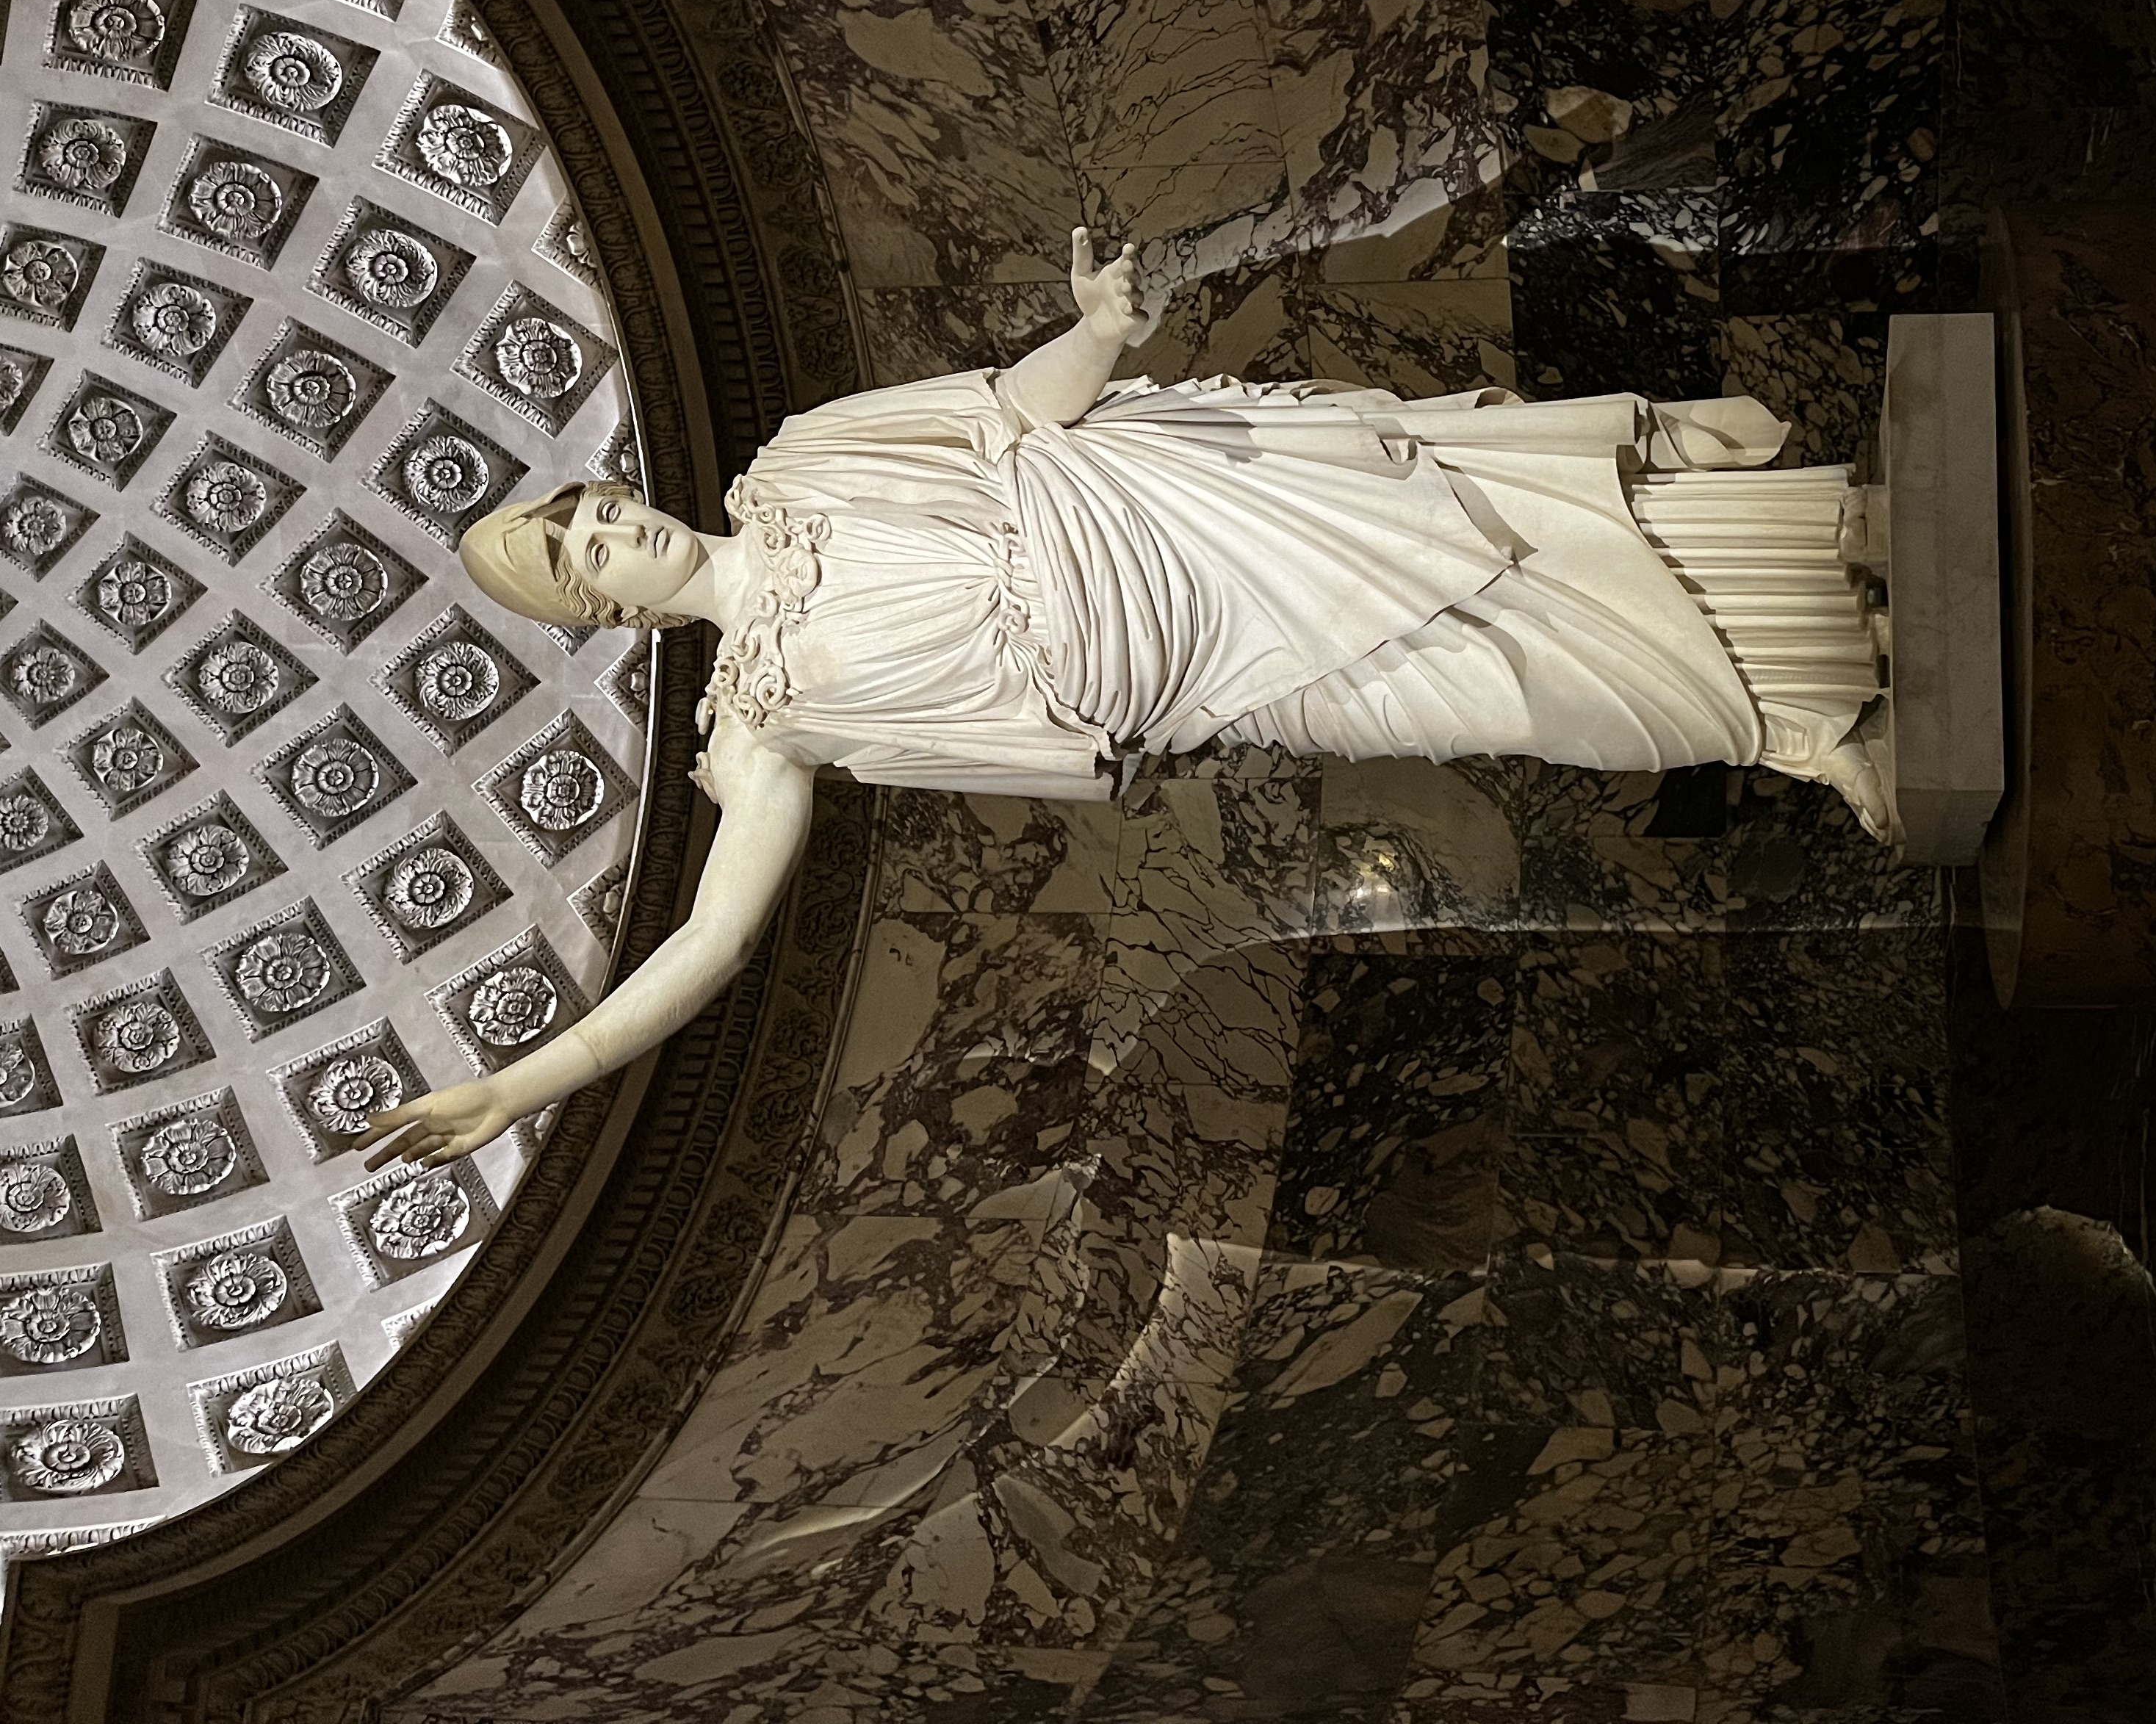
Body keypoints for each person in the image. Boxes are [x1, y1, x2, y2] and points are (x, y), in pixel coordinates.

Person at [360, 230, 1887, 1172]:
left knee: (1500, 532)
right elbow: (715, 938)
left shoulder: (806, 458)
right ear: (613, 615)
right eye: (588, 556)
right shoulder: (760, 723)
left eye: (594, 507)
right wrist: (526, 1081)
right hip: (1196, 671)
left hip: (1188, 513)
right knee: (1514, 691)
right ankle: (1793, 711)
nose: (616, 529)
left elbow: (1006, 415)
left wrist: (1097, 329)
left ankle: (1825, 552)